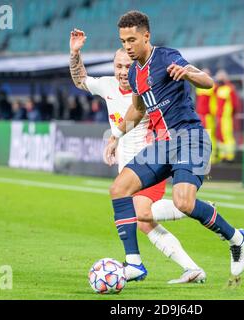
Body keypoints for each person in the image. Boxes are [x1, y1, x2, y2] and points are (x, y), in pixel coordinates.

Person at [105, 11, 244, 285]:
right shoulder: (135, 72)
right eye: (123, 41)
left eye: (132, 39)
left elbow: (208, 82)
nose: (127, 46)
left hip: (189, 138)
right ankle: (134, 263)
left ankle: (236, 238)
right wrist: (116, 136)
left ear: (146, 36)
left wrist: (188, 74)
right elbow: (137, 109)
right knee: (118, 189)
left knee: (184, 202)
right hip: (161, 145)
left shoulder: (167, 56)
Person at [69, 28, 206, 284]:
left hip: (149, 162)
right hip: (128, 168)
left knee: (142, 213)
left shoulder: (146, 92)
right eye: (118, 66)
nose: (122, 71)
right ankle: (191, 267)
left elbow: (167, 111)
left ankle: (193, 208)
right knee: (144, 222)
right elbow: (80, 79)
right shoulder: (107, 85)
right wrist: (75, 53)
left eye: (127, 66)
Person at [214, 69, 241, 162]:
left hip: (227, 117)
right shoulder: (218, 89)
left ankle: (230, 156)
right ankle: (223, 155)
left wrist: (232, 115)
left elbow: (235, 104)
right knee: (220, 135)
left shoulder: (230, 88)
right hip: (219, 117)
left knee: (227, 135)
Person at [195, 68, 218, 163]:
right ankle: (202, 155)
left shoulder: (213, 86)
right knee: (200, 135)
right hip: (200, 114)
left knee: (209, 135)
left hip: (208, 115)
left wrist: (215, 114)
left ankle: (212, 156)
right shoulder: (198, 86)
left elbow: (215, 102)